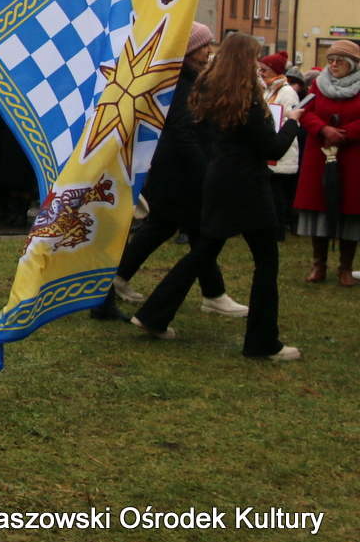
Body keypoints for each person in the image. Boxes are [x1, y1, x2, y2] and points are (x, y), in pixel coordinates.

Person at [132, 33, 303, 360]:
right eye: (255, 58)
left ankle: (153, 314)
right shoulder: (248, 101)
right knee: (266, 263)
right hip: (248, 187)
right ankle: (263, 342)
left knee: (203, 251)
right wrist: (292, 123)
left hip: (219, 181)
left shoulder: (210, 93)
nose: (257, 64)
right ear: (245, 61)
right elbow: (273, 149)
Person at [102, 23, 248, 317]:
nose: (209, 51)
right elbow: (183, 131)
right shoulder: (183, 82)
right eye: (204, 46)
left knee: (171, 226)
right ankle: (213, 294)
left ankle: (121, 278)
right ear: (190, 50)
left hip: (177, 169)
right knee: (193, 229)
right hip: (181, 171)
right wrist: (205, 172)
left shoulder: (188, 78)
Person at [292, 39, 360, 285]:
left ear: (352, 64)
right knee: (318, 208)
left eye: (339, 61)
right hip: (319, 155)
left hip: (352, 158)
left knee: (350, 212)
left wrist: (345, 134)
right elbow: (303, 111)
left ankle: (345, 268)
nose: (333, 65)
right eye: (330, 60)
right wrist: (323, 129)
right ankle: (319, 265)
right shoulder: (317, 86)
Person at [260, 52, 300, 235]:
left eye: (265, 70)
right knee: (269, 190)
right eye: (260, 69)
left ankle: (278, 230)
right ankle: (270, 227)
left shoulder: (287, 92)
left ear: (275, 71)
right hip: (270, 143)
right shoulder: (266, 89)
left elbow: (291, 119)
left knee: (277, 192)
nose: (261, 73)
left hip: (282, 146)